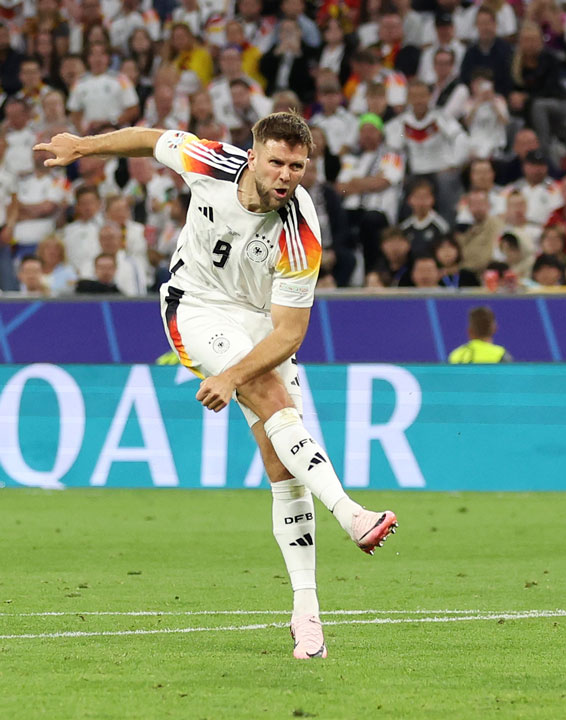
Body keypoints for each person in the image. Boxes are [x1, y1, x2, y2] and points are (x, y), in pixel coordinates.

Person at [35, 112, 399, 660]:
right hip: (196, 307)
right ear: (252, 156)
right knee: (275, 402)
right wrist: (85, 146)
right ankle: (351, 513)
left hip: (258, 322)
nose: (286, 175)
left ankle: (307, 615)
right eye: (276, 161)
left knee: (283, 464)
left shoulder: (300, 232)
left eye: (297, 166)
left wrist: (233, 375)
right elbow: (150, 139)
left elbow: (290, 331)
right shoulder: (210, 162)